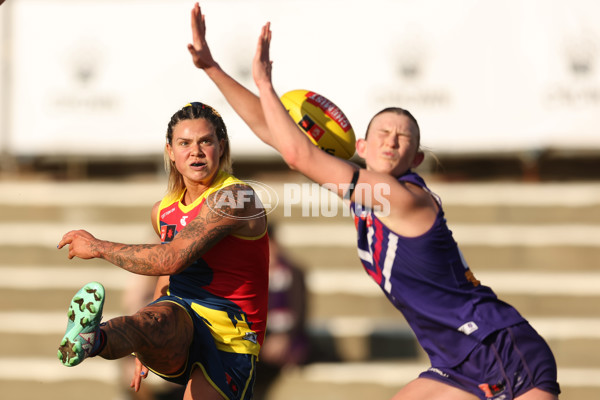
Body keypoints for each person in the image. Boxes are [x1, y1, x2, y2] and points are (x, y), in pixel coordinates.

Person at [186, 3, 561, 399]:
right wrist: (212, 67)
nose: (391, 140)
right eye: (382, 132)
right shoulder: (366, 193)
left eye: (403, 137)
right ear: (360, 147)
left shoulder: (400, 196)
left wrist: (265, 85)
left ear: (415, 158)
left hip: (499, 347)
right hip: (456, 362)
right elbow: (277, 135)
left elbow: (298, 154)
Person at [57, 101, 269, 400]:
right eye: (185, 143)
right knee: (146, 321)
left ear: (221, 147)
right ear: (170, 151)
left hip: (230, 338)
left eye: (205, 141)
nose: (195, 151)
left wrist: (98, 247)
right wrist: (148, 341)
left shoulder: (236, 197)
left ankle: (105, 337)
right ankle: (91, 340)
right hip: (180, 314)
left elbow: (172, 257)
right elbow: (167, 278)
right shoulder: (163, 210)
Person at [253, 224, 310, 400]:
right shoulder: (250, 275)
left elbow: (300, 312)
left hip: (290, 338)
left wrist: (285, 337)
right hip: (260, 340)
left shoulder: (295, 272)